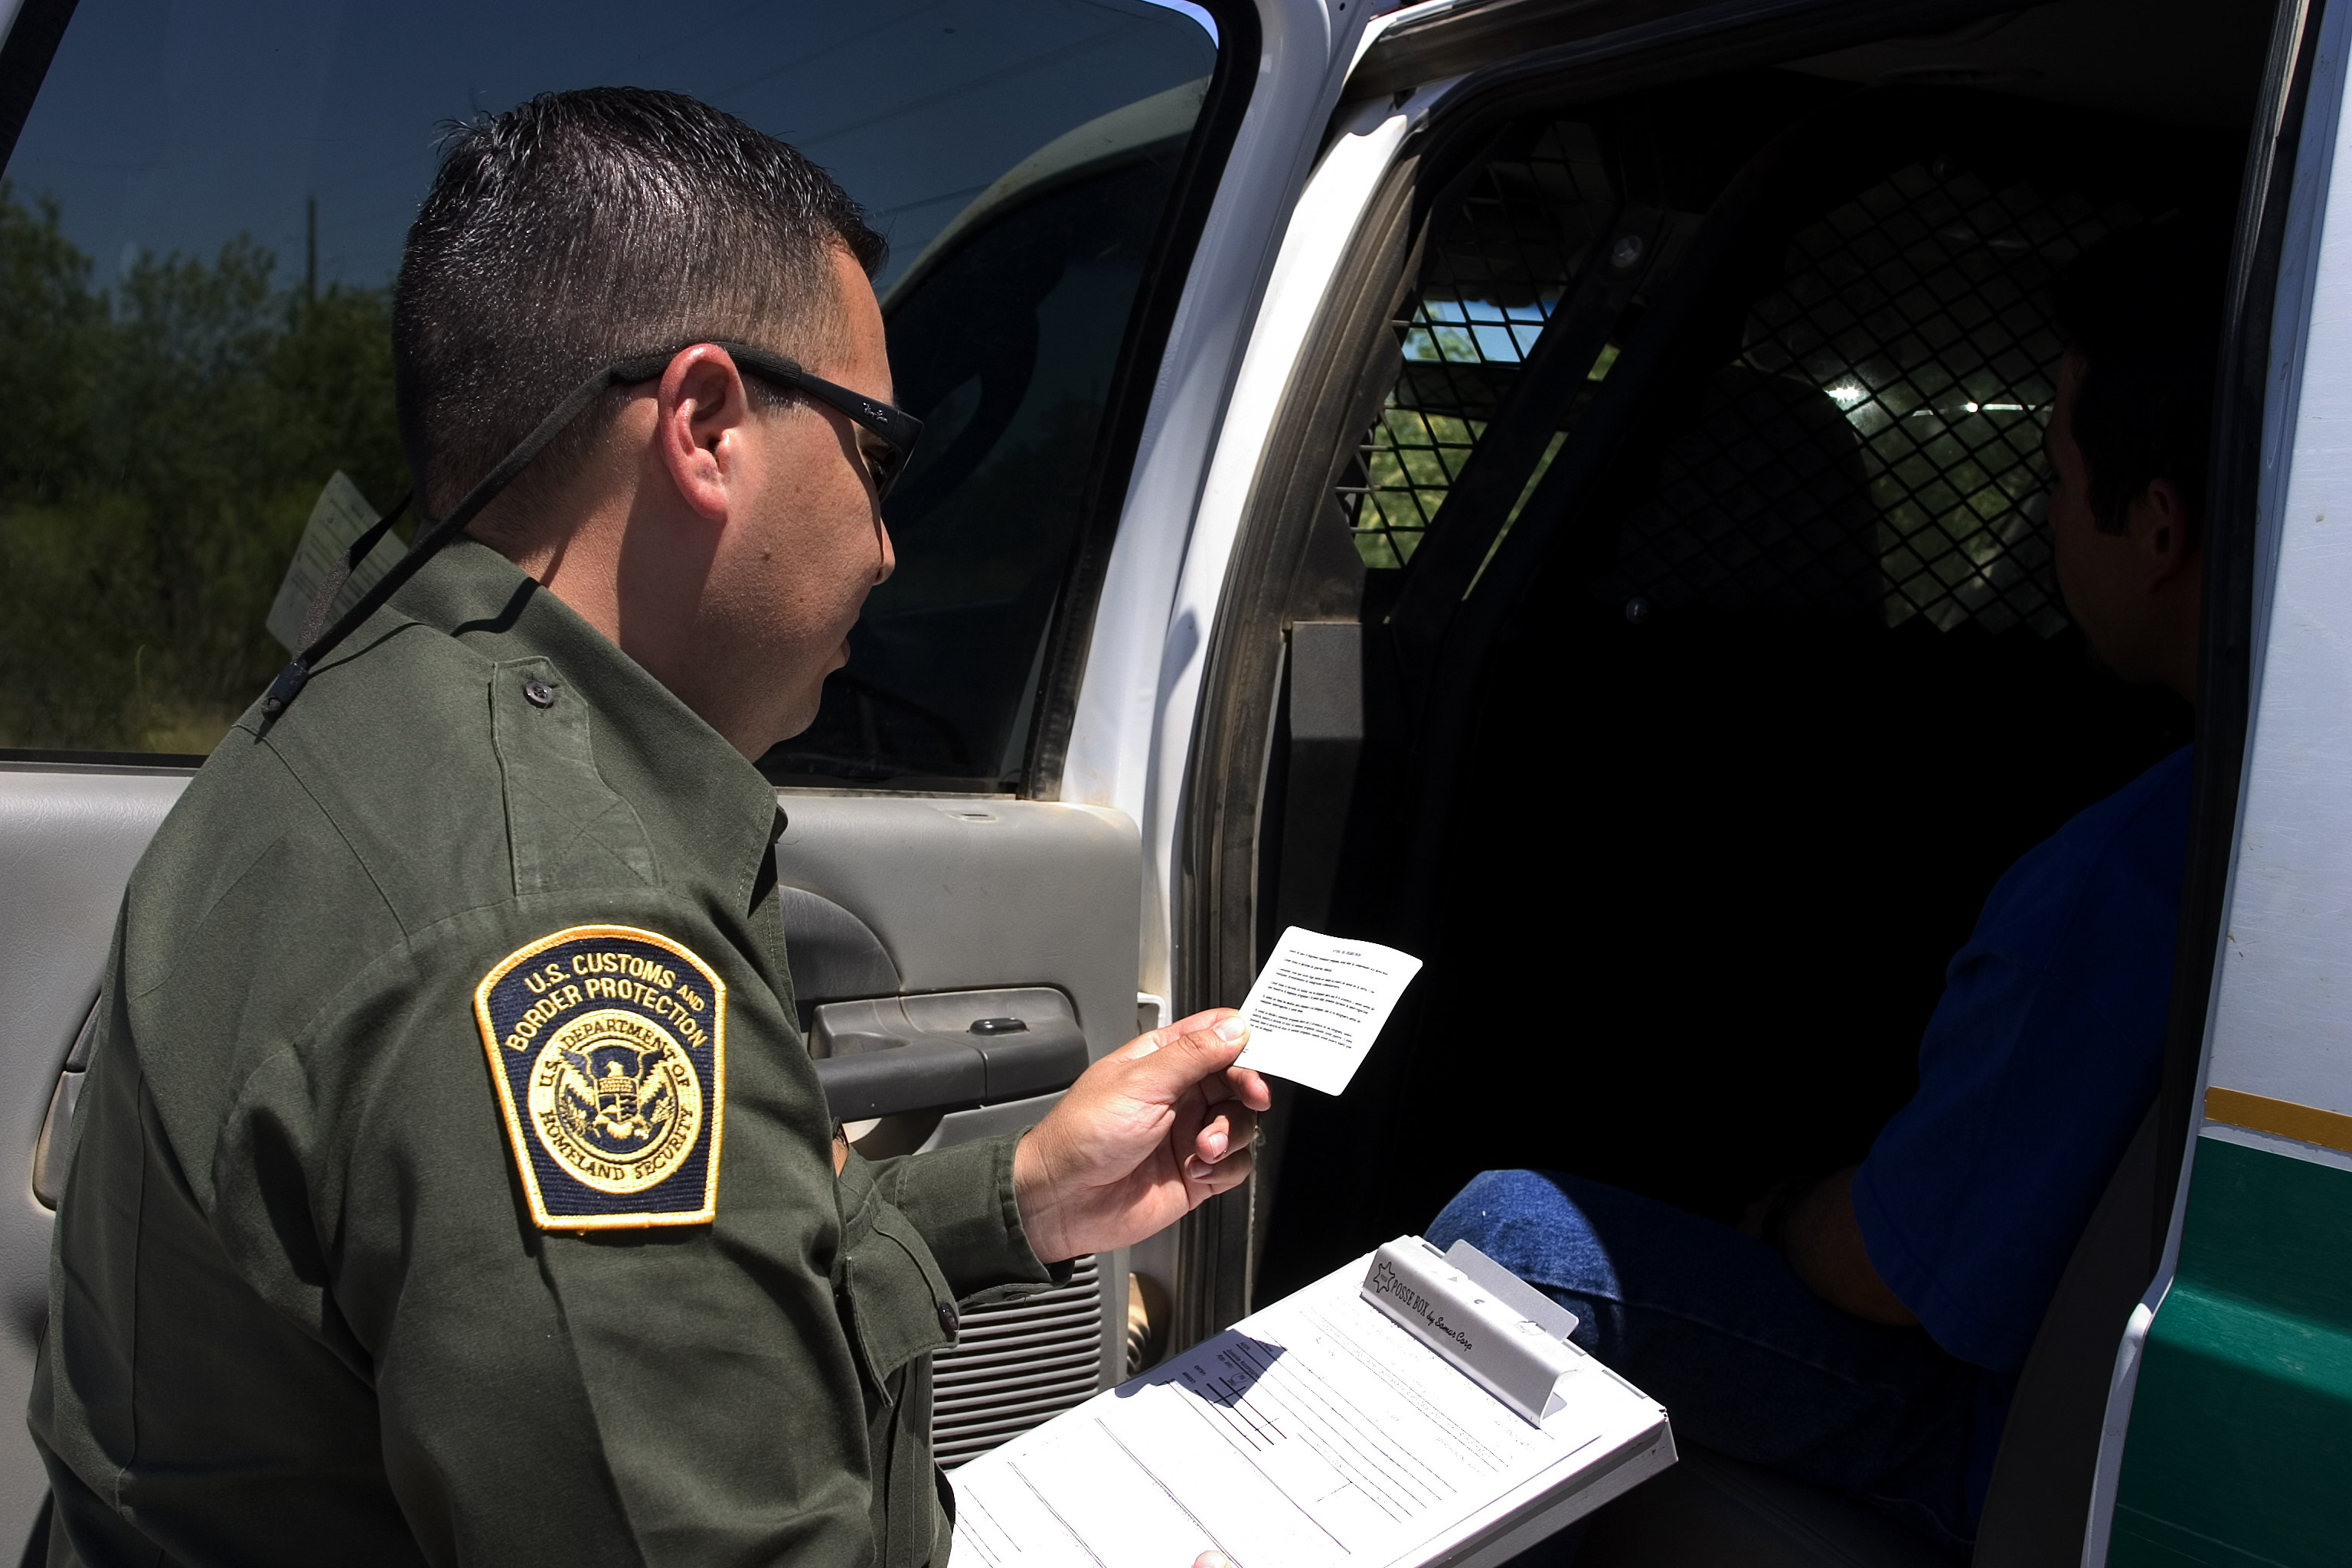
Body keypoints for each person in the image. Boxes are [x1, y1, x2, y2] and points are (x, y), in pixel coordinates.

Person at [28, 88, 1266, 1566]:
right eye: (879, 453)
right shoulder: (553, 919)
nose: (886, 541)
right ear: (704, 426)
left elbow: (675, 1317)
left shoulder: (350, 716)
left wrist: (1012, 1200)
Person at [1428, 220, 2225, 1554]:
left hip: (1995, 1432)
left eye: (2053, 475)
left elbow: (1893, 1275)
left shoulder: (2123, 880)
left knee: (1507, 1230)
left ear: (2155, 526)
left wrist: (1784, 1215)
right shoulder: (2249, 818)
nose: (2039, 519)